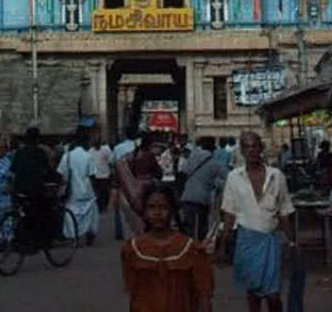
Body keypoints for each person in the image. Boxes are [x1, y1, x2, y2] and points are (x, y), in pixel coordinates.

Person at [218, 131, 295, 312]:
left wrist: (291, 242)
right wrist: (223, 243)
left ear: (261, 148)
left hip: (270, 241)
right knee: (253, 293)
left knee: (273, 296)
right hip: (247, 242)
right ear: (241, 151)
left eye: (254, 146)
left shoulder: (276, 176)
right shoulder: (234, 177)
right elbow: (229, 213)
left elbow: (284, 212)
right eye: (246, 146)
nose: (251, 150)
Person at [121, 182, 214, 312]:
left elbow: (204, 294)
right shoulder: (133, 249)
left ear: (173, 210)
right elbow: (134, 295)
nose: (157, 213)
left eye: (163, 207)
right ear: (144, 211)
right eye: (151, 207)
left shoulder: (191, 249)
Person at [10, 126, 52, 245]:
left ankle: (21, 238)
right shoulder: (40, 152)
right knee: (42, 211)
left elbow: (13, 171)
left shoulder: (19, 152)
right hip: (35, 190)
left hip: (19, 189)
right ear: (37, 139)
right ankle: (38, 239)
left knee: (24, 212)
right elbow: (47, 170)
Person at [58, 126, 100, 245]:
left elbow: (61, 175)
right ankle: (89, 235)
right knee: (90, 214)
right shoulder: (88, 156)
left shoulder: (67, 156)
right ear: (85, 142)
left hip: (72, 192)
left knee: (71, 215)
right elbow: (92, 175)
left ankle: (73, 237)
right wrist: (97, 190)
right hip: (87, 191)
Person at [180, 136, 225, 240]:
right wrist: (216, 183)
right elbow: (228, 179)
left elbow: (183, 171)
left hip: (186, 197)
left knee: (189, 232)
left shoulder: (191, 158)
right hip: (200, 201)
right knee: (198, 233)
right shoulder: (215, 164)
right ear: (213, 148)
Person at [112, 125, 138, 240]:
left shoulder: (118, 148)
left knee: (119, 207)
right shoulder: (137, 147)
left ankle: (119, 232)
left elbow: (114, 165)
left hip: (122, 180)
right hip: (135, 180)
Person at [89, 134, 113, 213]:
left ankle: (105, 206)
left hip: (105, 175)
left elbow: (111, 161)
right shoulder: (90, 151)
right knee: (97, 193)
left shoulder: (106, 149)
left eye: (97, 142)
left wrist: (111, 173)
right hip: (95, 175)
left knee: (105, 192)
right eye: (94, 142)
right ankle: (99, 208)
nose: (96, 143)